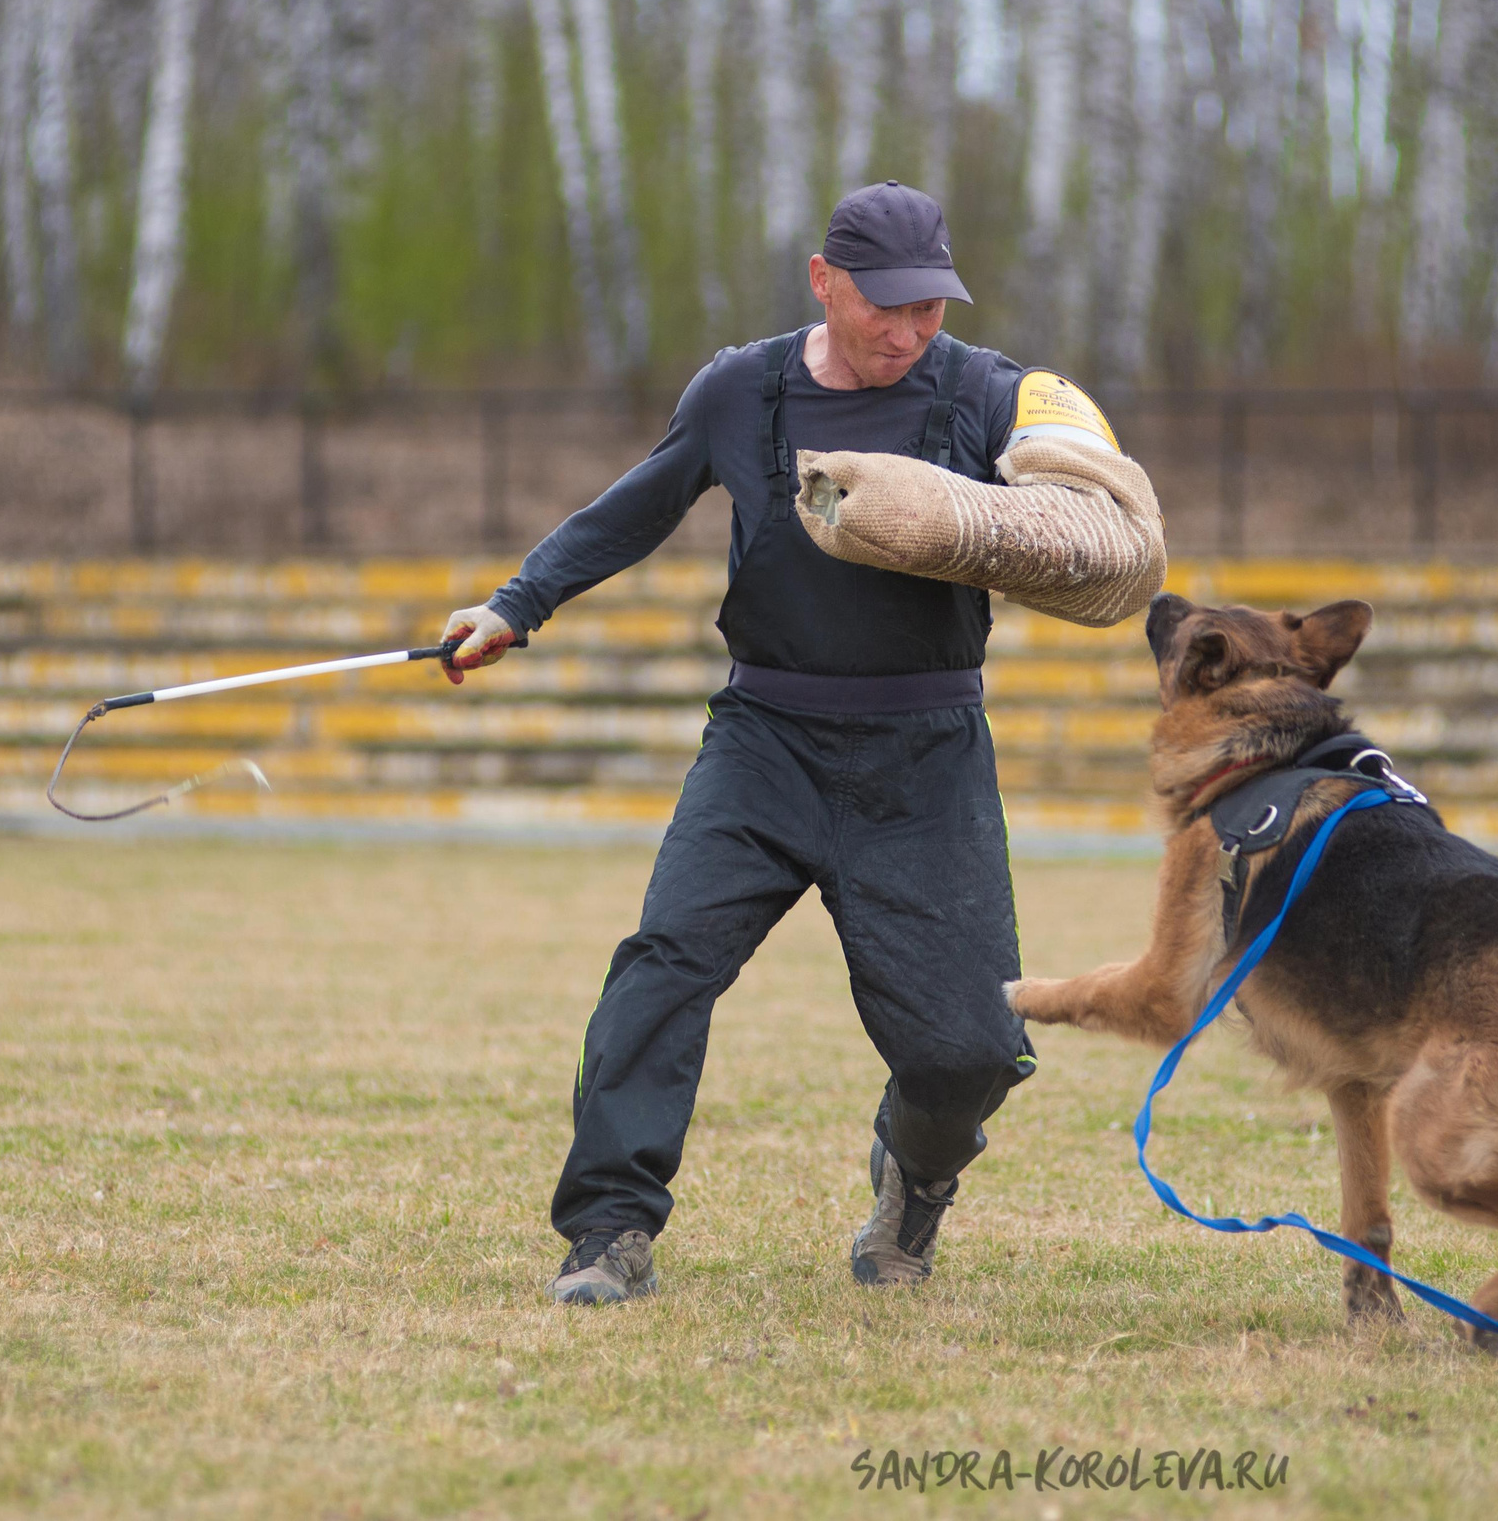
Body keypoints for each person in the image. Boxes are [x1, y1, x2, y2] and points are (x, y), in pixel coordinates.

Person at [441, 182, 1129, 1306]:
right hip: (766, 736)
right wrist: (517, 602)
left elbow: (1086, 503)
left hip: (925, 750)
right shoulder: (739, 388)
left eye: (931, 310)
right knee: (663, 964)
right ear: (824, 281)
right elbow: (636, 506)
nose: (910, 333)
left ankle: (914, 1174)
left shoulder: (987, 391)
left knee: (966, 1048)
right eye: (886, 308)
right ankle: (609, 1228)